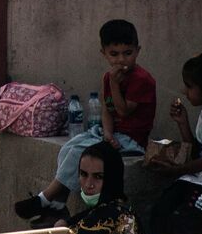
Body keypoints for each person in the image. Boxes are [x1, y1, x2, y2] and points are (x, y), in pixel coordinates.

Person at [14, 18, 156, 222]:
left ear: (137, 51)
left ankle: (44, 198)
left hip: (131, 140)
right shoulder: (108, 78)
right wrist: (107, 133)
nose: (121, 60)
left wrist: (115, 86)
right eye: (114, 54)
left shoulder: (141, 80)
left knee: (81, 153)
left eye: (128, 53)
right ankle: (58, 204)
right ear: (104, 54)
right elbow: (107, 109)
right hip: (111, 134)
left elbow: (123, 111)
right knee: (69, 148)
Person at [145, 47, 202, 234]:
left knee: (186, 219)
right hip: (198, 178)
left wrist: (176, 170)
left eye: (189, 86)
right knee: (161, 209)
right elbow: (197, 149)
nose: (184, 91)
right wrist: (182, 123)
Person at [65, 141, 137, 234]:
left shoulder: (118, 217)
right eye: (83, 174)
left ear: (112, 179)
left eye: (98, 177)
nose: (88, 184)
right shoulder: (96, 212)